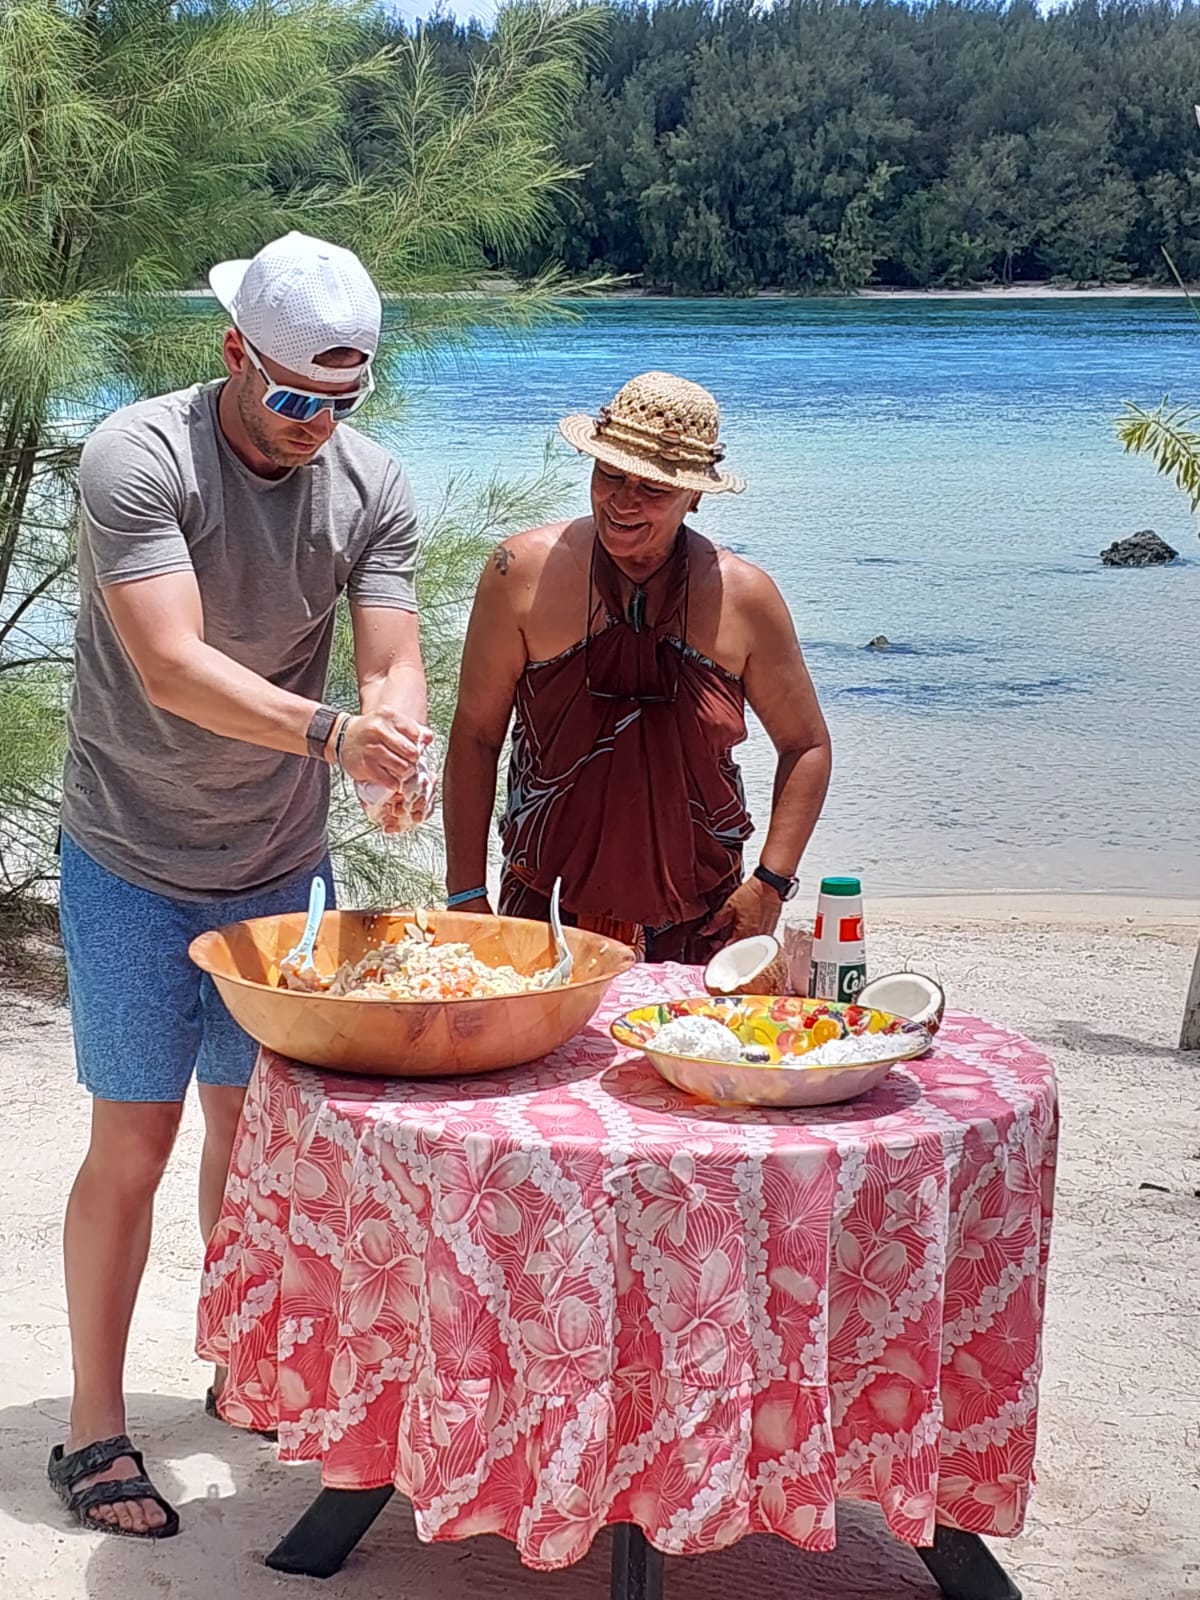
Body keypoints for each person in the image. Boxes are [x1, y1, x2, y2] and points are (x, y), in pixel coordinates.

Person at [48, 233, 432, 1539]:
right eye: (292, 398)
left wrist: (395, 746)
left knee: (257, 1136)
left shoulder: (371, 488)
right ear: (233, 356)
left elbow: (390, 660)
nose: (315, 426)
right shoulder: (137, 458)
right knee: (136, 1139)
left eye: (343, 402)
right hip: (131, 858)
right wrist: (336, 737)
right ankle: (95, 1428)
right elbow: (169, 665)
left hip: (277, 866)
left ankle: (244, 1362)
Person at [443, 370, 831, 961]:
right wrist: (466, 894)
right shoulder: (519, 574)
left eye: (652, 489)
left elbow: (805, 746)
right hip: (543, 906)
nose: (623, 502)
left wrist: (771, 884)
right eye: (609, 476)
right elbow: (475, 735)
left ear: (696, 494)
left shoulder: (744, 597)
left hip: (707, 913)